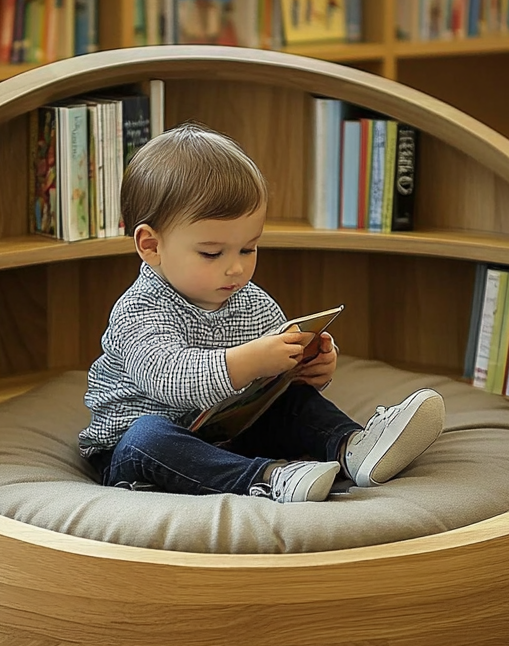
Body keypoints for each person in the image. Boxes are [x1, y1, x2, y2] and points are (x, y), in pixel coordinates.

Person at [80, 124, 445, 504]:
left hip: (230, 432)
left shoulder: (250, 301)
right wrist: (250, 360)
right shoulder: (139, 309)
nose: (235, 268)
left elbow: (269, 388)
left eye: (248, 249)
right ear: (151, 246)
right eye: (211, 253)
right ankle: (271, 478)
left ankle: (355, 448)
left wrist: (306, 369)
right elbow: (170, 379)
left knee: (292, 405)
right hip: (138, 453)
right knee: (148, 436)